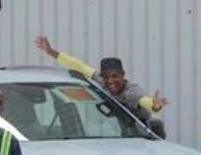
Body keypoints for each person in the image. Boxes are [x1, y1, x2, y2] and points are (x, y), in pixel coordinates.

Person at [34, 35, 168, 136]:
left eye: (115, 76)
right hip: (123, 132)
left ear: (123, 74)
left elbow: (144, 101)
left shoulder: (131, 92)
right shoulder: (101, 80)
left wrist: (155, 105)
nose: (111, 81)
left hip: (142, 133)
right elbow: (79, 66)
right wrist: (50, 52)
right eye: (107, 77)